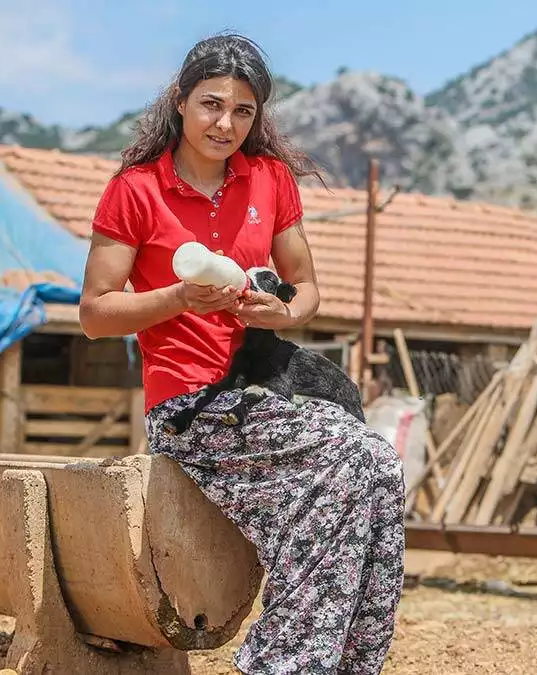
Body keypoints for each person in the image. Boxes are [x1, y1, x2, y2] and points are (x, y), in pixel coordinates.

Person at [78, 32, 404, 674]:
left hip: (262, 393)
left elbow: (307, 289)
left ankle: (348, 664)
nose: (225, 123)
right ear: (179, 101)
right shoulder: (136, 190)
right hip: (189, 410)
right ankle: (283, 663)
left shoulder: (271, 181)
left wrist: (280, 311)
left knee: (381, 471)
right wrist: (176, 298)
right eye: (211, 104)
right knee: (352, 452)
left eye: (243, 111)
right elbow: (94, 313)